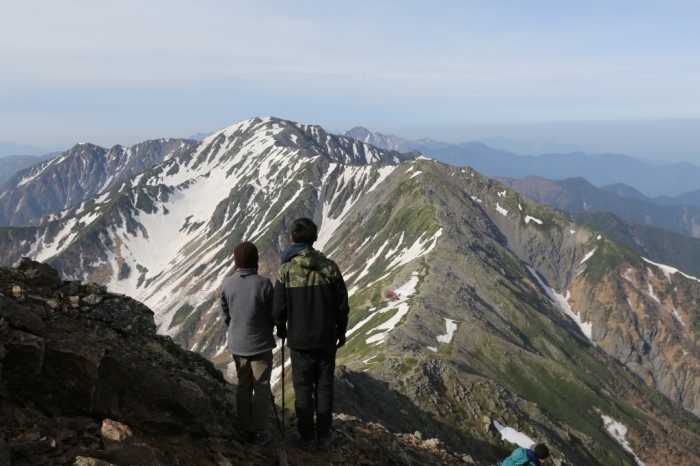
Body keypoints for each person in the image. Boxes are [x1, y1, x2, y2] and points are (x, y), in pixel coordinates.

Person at [273, 218, 349, 453]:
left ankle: (306, 436)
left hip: (299, 340)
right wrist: (341, 331)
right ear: (314, 239)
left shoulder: (285, 271)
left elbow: (278, 309)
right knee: (324, 387)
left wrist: (281, 328)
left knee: (303, 387)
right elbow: (342, 305)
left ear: (292, 239)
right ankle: (324, 435)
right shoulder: (330, 267)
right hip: (326, 338)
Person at [220, 241, 276, 446]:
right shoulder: (263, 283)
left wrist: (236, 328)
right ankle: (262, 431)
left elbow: (225, 315)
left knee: (243, 385)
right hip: (261, 343)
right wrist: (267, 327)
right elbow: (272, 315)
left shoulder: (227, 283)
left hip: (238, 344)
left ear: (236, 262)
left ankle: (245, 428)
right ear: (256, 261)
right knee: (261, 386)